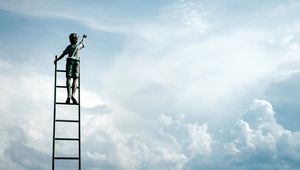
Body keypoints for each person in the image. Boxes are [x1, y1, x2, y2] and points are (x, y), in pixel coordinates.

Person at [54, 33, 87, 104]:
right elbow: (82, 43)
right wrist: (84, 38)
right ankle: (73, 95)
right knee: (75, 79)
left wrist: (57, 60)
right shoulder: (78, 46)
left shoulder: (69, 46)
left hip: (70, 61)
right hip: (77, 62)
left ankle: (69, 95)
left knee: (69, 78)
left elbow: (63, 54)